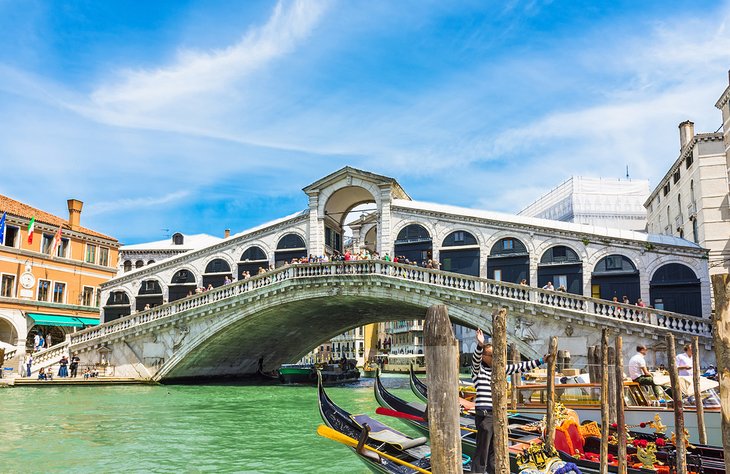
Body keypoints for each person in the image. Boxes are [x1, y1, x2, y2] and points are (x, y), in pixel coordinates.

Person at [471, 329, 550, 474]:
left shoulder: (499, 370)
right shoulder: (478, 371)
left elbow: (519, 367)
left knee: (495, 449)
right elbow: (475, 359)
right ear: (484, 357)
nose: (495, 358)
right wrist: (480, 345)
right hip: (484, 414)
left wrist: (541, 361)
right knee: (482, 450)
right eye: (492, 355)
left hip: (497, 415)